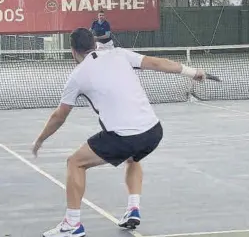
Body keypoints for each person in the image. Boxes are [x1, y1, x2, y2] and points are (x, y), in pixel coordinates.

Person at [32, 28, 206, 237]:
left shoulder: (77, 76)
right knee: (133, 158)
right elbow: (159, 63)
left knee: (75, 163)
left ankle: (72, 224)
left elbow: (60, 116)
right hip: (152, 131)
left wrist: (40, 139)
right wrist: (193, 72)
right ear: (95, 44)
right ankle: (133, 207)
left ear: (73, 51)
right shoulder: (120, 54)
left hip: (123, 137)